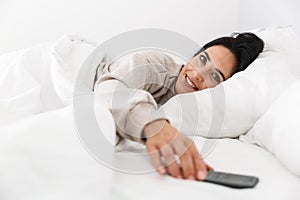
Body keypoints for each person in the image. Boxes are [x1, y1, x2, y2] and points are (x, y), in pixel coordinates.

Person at [94, 32, 264, 181]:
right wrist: (153, 124)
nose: (197, 74)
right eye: (202, 59)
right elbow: (111, 88)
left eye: (214, 76)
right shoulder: (154, 65)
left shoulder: (202, 112)